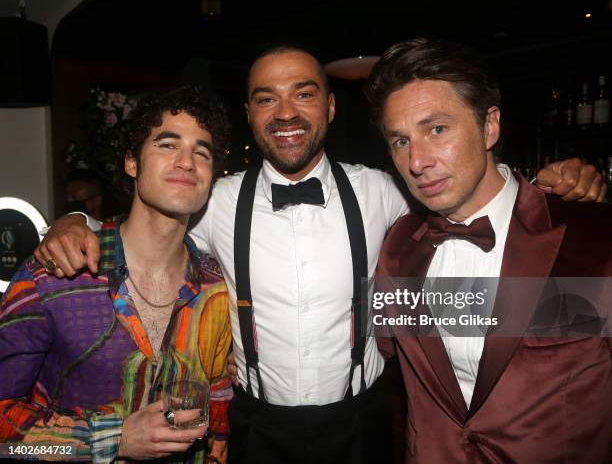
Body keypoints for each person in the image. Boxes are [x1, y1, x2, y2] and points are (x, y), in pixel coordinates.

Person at [34, 47, 605, 464]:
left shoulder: (387, 194)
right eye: (266, 99)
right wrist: (76, 219)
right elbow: (146, 224)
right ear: (251, 115)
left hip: (363, 424)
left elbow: (489, 263)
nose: (285, 112)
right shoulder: (213, 198)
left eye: (303, 93)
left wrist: (559, 186)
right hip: (255, 426)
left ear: (331, 108)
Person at [367, 38, 612, 463]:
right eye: (400, 141)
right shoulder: (397, 248)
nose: (417, 161)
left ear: (490, 125)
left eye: (437, 129)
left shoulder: (592, 239)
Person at [0, 86, 233, 463]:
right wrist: (114, 439)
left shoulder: (216, 287)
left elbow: (219, 408)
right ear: (132, 162)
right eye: (168, 145)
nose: (187, 162)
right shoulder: (53, 278)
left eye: (201, 151)